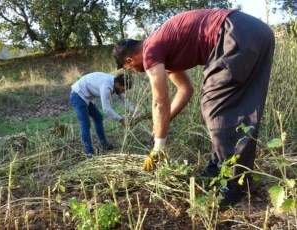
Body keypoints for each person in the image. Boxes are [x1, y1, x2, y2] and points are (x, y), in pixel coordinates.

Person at [113, 9, 275, 207]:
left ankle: (235, 184)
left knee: (215, 105)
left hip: (233, 32)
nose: (134, 72)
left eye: (129, 69)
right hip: (256, 32)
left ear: (129, 61)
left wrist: (158, 146)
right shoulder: (162, 48)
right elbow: (185, 90)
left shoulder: (150, 50)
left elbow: (159, 102)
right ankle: (222, 167)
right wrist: (163, 123)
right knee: (238, 104)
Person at [70, 72, 134, 157]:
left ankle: (104, 145)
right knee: (85, 124)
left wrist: (133, 111)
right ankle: (90, 154)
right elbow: (106, 109)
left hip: (87, 96)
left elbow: (124, 99)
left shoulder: (115, 82)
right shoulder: (106, 86)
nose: (124, 91)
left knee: (98, 118)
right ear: (118, 85)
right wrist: (121, 120)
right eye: (123, 89)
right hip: (77, 95)